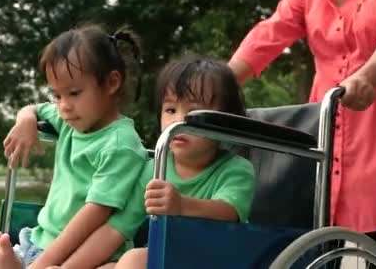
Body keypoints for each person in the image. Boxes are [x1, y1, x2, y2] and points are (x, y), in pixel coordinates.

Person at [228, 0, 376, 265]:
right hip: (322, 154)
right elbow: (270, 33)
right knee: (318, 255)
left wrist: (366, 77)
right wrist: (216, 81)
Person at [65, 55, 256, 269]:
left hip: (217, 259)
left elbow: (230, 212)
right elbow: (117, 229)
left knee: (134, 261)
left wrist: (182, 205)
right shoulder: (154, 170)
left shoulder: (236, 169)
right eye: (171, 110)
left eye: (194, 113)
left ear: (224, 119)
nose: (178, 121)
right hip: (168, 258)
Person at [0, 24, 149, 269]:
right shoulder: (69, 121)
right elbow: (34, 108)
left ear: (112, 82)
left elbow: (95, 215)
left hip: (86, 256)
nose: (64, 106)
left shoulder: (120, 145)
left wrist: (43, 264)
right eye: (57, 96)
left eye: (73, 93)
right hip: (37, 241)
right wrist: (25, 120)